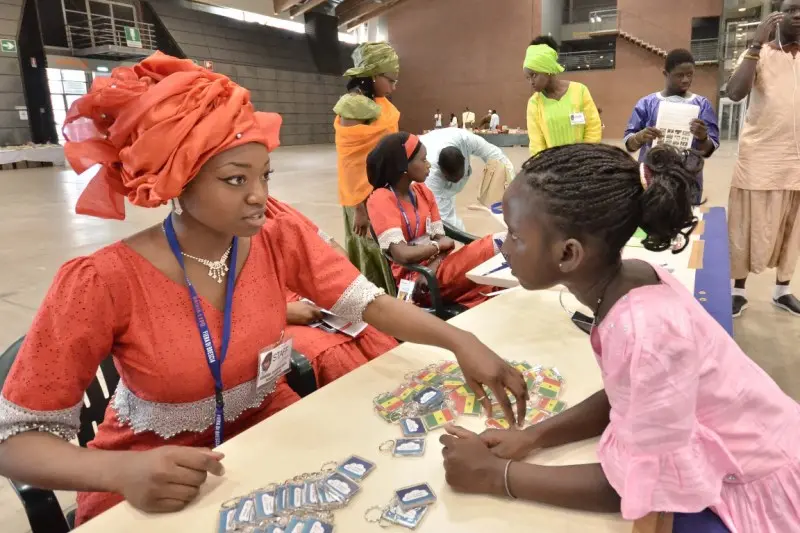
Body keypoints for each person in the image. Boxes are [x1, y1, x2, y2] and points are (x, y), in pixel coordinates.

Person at [0, 53, 529, 526]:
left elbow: (369, 303)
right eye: (236, 180)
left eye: (265, 176)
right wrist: (122, 472)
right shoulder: (102, 281)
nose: (260, 197)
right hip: (155, 479)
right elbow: (14, 444)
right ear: (175, 180)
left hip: (267, 441)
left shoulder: (275, 232)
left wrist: (462, 342)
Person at [439, 143, 800, 533]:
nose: (504, 245)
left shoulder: (644, 330)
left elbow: (637, 486)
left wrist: (496, 476)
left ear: (568, 254)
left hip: (762, 474)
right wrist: (532, 438)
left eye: (514, 235)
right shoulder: (630, 278)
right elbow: (629, 393)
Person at [266, 197, 399, 386]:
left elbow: (331, 248)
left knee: (373, 333)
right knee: (333, 357)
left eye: (265, 176)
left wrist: (336, 279)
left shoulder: (276, 210)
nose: (257, 193)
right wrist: (283, 312)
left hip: (309, 296)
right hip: (266, 316)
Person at [366, 132, 505, 309]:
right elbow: (402, 254)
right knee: (494, 244)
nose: (429, 164)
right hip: (418, 282)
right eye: (423, 160)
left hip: (437, 270)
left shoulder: (423, 192)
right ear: (403, 166)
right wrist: (437, 249)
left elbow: (444, 241)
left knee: (497, 275)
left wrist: (433, 263)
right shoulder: (381, 199)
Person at [725, 3, 800, 318]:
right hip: (760, 154)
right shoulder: (759, 53)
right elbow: (734, 92)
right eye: (792, 9)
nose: (798, 14)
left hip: (796, 159)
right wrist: (756, 43)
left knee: (792, 226)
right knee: (745, 223)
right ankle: (738, 291)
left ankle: (782, 290)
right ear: (778, 15)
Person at [334, 42, 400, 295]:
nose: (394, 87)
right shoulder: (353, 105)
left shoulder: (378, 101)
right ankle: (374, 301)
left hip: (383, 192)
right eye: (391, 80)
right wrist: (360, 208)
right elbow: (351, 163)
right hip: (363, 197)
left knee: (389, 244)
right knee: (372, 249)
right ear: (373, 75)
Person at [624, 49, 720, 199]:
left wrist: (702, 138)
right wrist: (640, 137)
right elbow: (629, 145)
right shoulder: (647, 104)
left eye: (690, 75)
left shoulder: (702, 105)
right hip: (653, 178)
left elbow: (708, 151)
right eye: (679, 75)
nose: (686, 80)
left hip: (687, 180)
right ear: (665, 74)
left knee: (685, 220)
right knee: (651, 218)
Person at [420, 127, 515, 230]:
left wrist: (512, 185)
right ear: (442, 172)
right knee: (433, 221)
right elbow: (444, 220)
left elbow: (496, 156)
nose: (457, 181)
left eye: (459, 177)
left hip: (443, 138)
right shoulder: (431, 175)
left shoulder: (466, 140)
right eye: (451, 179)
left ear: (465, 160)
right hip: (421, 151)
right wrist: (466, 239)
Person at [524, 42, 602, 155]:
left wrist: (585, 158)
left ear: (547, 69)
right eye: (527, 78)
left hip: (583, 163)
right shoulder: (534, 103)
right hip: (552, 168)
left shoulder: (580, 91)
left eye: (534, 75)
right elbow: (536, 144)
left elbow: (593, 128)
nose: (531, 82)